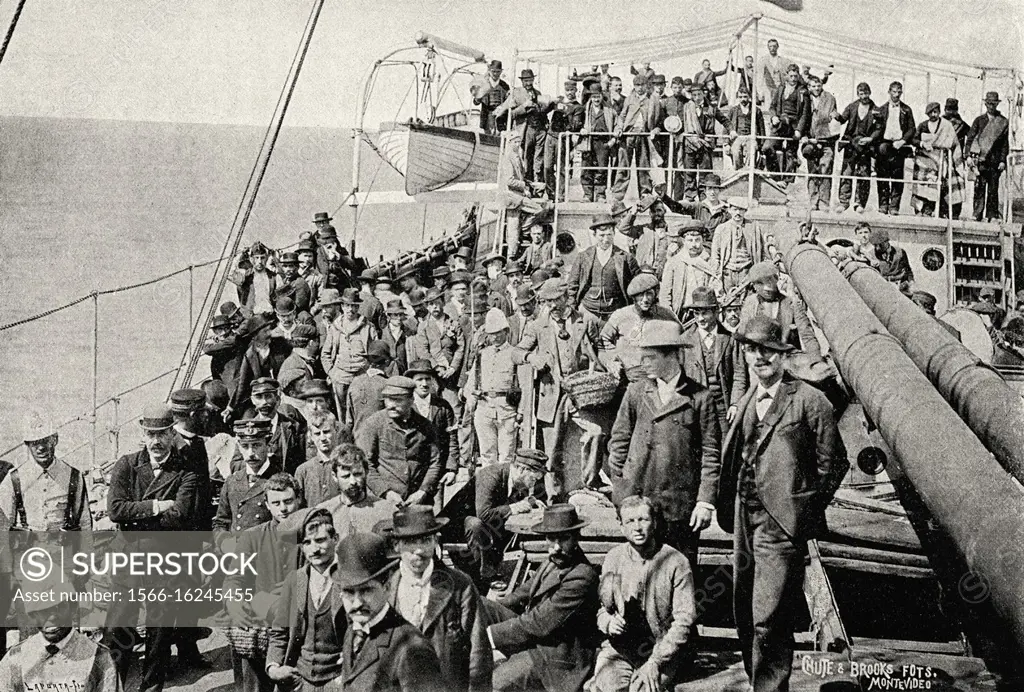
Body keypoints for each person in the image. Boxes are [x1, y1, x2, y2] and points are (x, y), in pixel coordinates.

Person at [716, 315, 848, 692]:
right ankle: (761, 681)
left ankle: (771, 688)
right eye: (751, 350)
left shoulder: (809, 400)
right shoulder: (746, 399)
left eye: (767, 352)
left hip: (780, 524)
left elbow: (834, 463)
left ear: (782, 355)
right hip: (745, 517)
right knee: (744, 608)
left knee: (769, 615)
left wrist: (801, 509)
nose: (759, 358)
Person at [607, 320, 720, 573]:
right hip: (639, 503)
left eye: (650, 357)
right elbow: (619, 443)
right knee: (638, 572)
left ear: (674, 356)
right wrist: (621, 493)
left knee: (679, 572)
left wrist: (704, 502)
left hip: (680, 508)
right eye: (642, 357)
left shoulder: (700, 397)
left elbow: (711, 454)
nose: (643, 363)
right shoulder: (636, 392)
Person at [103, 405, 200, 691]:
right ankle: (114, 679)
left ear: (172, 433)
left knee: (159, 624)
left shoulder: (186, 471)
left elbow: (180, 515)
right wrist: (157, 506)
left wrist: (138, 517)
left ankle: (152, 682)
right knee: (119, 622)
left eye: (161, 434)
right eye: (150, 434)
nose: (156, 441)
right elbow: (116, 510)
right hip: (129, 557)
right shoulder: (127, 464)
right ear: (143, 434)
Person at [483, 504, 600, 692]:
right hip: (536, 636)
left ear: (576, 537)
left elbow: (539, 622)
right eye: (551, 538)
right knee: (480, 604)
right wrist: (494, 608)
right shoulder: (553, 560)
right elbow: (522, 593)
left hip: (555, 656)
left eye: (563, 539)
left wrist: (490, 636)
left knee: (493, 683)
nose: (555, 547)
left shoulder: (582, 576)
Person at [594, 496, 696, 692]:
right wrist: (608, 622)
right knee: (608, 686)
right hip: (620, 651)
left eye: (643, 519)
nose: (637, 527)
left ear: (655, 522)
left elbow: (684, 620)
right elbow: (602, 607)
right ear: (621, 526)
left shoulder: (676, 561)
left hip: (663, 652)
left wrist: (655, 661)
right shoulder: (614, 557)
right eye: (630, 521)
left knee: (641, 690)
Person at [387, 505, 492, 692]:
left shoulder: (460, 585)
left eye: (426, 540)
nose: (419, 550)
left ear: (436, 541)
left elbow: (478, 652)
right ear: (396, 545)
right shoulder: (386, 589)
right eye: (410, 542)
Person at [514, 279, 604, 493]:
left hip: (581, 393)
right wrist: (531, 357)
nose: (551, 306)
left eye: (555, 300)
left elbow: (601, 348)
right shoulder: (538, 326)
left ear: (566, 298)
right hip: (551, 396)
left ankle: (587, 485)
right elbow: (515, 353)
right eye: (547, 301)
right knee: (552, 453)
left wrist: (608, 365)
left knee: (596, 432)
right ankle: (555, 498)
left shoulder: (586, 321)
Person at [336, 532, 443, 692]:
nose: (357, 603)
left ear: (387, 588)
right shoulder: (354, 631)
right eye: (349, 592)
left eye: (366, 591)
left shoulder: (411, 647)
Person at [224, 472, 301, 692]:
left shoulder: (309, 535)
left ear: (298, 500)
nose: (283, 509)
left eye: (288, 501)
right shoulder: (253, 536)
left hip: (298, 625)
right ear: (267, 505)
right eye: (276, 503)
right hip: (261, 625)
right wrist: (235, 604)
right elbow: (234, 579)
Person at [266, 508, 347, 690]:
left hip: (338, 681)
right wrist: (274, 668)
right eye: (307, 543)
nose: (314, 549)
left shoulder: (350, 577)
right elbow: (279, 632)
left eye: (320, 540)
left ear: (335, 539)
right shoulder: (295, 580)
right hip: (300, 680)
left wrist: (345, 678)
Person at [460, 449, 547, 586]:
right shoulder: (490, 475)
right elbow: (483, 514)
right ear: (521, 469)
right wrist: (515, 507)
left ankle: (492, 567)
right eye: (533, 478)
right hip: (459, 525)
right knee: (476, 524)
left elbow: (508, 503)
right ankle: (482, 578)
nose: (533, 484)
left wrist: (531, 501)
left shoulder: (516, 479)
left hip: (482, 528)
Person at [356, 376, 443, 505]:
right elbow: (364, 463)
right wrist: (385, 492)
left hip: (418, 500)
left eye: (397, 400)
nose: (390, 405)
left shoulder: (426, 426)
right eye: (387, 399)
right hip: (383, 500)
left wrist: (423, 491)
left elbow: (435, 462)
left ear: (411, 400)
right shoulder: (373, 424)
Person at [0, 599, 121, 692]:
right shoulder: (15, 658)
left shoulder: (98, 657)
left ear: (72, 607)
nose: (51, 617)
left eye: (58, 607)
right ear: (32, 615)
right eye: (42, 610)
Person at [680, 286, 748, 428]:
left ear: (716, 311)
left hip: (724, 407)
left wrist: (735, 404)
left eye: (705, 313)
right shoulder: (684, 340)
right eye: (696, 313)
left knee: (726, 447)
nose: (700, 318)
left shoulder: (730, 339)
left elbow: (739, 375)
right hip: (696, 408)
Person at [568, 214, 642, 338]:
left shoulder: (626, 258)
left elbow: (639, 284)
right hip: (588, 313)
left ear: (614, 234)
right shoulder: (583, 257)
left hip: (615, 316)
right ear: (594, 235)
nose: (605, 240)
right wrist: (571, 310)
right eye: (601, 236)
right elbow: (572, 286)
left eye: (609, 235)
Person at [599, 272, 679, 383]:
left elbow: (681, 338)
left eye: (649, 294)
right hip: (629, 375)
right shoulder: (620, 316)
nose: (645, 299)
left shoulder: (666, 315)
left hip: (659, 375)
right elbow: (603, 341)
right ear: (633, 297)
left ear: (655, 294)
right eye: (640, 295)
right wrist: (612, 360)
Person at [465, 308, 519, 467]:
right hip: (484, 408)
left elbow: (523, 384)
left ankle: (504, 490)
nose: (495, 337)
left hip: (507, 410)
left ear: (506, 331)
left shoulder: (515, 353)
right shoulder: (482, 354)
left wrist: (520, 412)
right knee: (487, 455)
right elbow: (472, 382)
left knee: (507, 457)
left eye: (498, 332)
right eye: (491, 333)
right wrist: (471, 400)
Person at [738, 262, 822, 358]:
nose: (767, 288)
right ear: (754, 286)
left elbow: (807, 336)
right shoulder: (750, 303)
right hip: (760, 361)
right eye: (760, 283)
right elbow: (743, 335)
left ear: (776, 279)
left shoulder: (791, 304)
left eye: (769, 281)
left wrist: (816, 361)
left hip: (787, 360)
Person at [321, 287, 378, 423]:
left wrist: (370, 371)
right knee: (343, 413)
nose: (350, 310)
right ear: (342, 306)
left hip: (362, 375)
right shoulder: (335, 327)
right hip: (341, 376)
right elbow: (325, 354)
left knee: (362, 410)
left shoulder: (368, 327)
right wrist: (332, 373)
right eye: (347, 306)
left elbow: (376, 352)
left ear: (358, 307)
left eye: (354, 306)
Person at [406, 359, 459, 486]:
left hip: (437, 470)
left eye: (428, 379)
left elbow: (451, 438)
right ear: (412, 382)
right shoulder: (406, 406)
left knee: (436, 506)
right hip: (411, 472)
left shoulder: (443, 406)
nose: (424, 384)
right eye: (419, 379)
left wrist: (451, 469)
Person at [493, 68, 550, 184]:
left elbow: (541, 112)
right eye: (526, 81)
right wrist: (524, 106)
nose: (528, 83)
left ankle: (537, 187)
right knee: (525, 159)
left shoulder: (537, 93)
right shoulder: (516, 93)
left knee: (538, 160)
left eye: (530, 80)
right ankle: (526, 184)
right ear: (522, 81)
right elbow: (509, 114)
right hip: (524, 131)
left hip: (538, 131)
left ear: (533, 79)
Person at [611, 74, 663, 202]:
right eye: (637, 85)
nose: (639, 88)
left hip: (644, 135)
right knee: (623, 164)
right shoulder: (629, 99)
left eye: (642, 85)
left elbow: (659, 121)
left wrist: (656, 130)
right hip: (629, 135)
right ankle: (618, 194)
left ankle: (645, 193)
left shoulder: (653, 100)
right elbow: (622, 116)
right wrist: (619, 128)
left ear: (647, 86)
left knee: (643, 165)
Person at [242, 377, 306, 475]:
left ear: (277, 399)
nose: (264, 402)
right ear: (253, 400)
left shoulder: (293, 427)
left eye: (268, 396)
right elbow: (235, 464)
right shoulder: (245, 429)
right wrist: (256, 461)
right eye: (258, 397)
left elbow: (303, 461)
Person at [912, 101, 966, 218]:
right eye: (931, 113)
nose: (933, 115)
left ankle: (933, 210)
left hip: (941, 157)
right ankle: (920, 210)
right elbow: (914, 140)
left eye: (936, 112)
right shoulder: (923, 125)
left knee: (942, 178)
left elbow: (954, 143)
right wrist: (922, 144)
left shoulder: (946, 125)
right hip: (924, 157)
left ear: (939, 112)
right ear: (927, 114)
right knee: (923, 179)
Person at [834, 82, 882, 213]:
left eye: (866, 93)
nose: (864, 96)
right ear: (858, 94)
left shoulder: (876, 109)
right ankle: (844, 202)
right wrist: (836, 116)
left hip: (865, 147)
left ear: (870, 93)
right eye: (861, 94)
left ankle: (860, 203)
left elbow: (879, 128)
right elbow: (843, 119)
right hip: (850, 144)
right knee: (846, 174)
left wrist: (870, 138)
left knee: (864, 175)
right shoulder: (852, 107)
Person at [679, 84, 729, 200]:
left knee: (704, 175)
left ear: (703, 94)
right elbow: (681, 123)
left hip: (706, 145)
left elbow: (724, 120)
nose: (696, 98)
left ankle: (703, 198)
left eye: (699, 94)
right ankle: (690, 198)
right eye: (694, 95)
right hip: (690, 144)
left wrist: (731, 130)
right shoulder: (686, 107)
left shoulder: (711, 108)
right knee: (689, 173)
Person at [966, 91, 1010, 222]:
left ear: (997, 104)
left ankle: (992, 215)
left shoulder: (1002, 122)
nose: (991, 106)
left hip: (995, 161)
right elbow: (970, 139)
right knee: (979, 187)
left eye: (994, 103)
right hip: (980, 160)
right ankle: (977, 214)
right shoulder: (979, 121)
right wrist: (968, 156)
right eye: (989, 103)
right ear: (985, 104)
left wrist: (1003, 160)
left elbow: (1004, 144)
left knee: (993, 189)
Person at [874, 81, 917, 214]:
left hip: (899, 146)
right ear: (889, 92)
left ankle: (894, 207)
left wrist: (903, 140)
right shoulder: (881, 109)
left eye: (899, 92)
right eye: (894, 91)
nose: (896, 95)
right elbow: (876, 129)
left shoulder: (906, 110)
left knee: (897, 177)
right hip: (884, 146)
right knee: (882, 177)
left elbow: (912, 129)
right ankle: (883, 205)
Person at [660, 219, 717, 318]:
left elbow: (716, 290)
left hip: (704, 313)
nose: (694, 245)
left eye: (697, 240)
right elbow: (665, 294)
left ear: (703, 240)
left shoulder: (710, 262)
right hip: (681, 313)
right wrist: (671, 316)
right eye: (690, 240)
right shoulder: (674, 263)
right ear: (683, 241)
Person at [764, 64, 810, 185]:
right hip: (779, 123)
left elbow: (805, 113)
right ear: (786, 76)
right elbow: (772, 107)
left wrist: (799, 130)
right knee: (768, 147)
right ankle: (774, 176)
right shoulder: (780, 89)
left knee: (790, 152)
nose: (793, 78)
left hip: (794, 125)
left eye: (796, 76)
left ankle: (786, 180)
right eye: (791, 76)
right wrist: (773, 116)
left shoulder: (803, 91)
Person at [710, 197, 769, 291]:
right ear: (729, 210)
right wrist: (716, 273)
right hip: (727, 273)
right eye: (735, 209)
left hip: (747, 271)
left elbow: (763, 252)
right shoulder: (721, 229)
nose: (738, 213)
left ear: (745, 211)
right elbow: (715, 254)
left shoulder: (754, 228)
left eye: (741, 209)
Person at [802, 73, 839, 210]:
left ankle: (824, 202)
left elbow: (834, 114)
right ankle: (813, 201)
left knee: (825, 170)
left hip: (826, 140)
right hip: (810, 140)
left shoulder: (830, 98)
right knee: (812, 171)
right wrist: (804, 136)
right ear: (809, 87)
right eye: (813, 86)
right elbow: (802, 118)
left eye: (818, 86)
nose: (816, 88)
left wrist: (834, 115)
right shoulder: (805, 98)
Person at [545, 79, 585, 201]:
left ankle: (560, 194)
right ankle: (551, 192)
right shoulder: (559, 101)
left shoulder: (578, 107)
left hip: (562, 139)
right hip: (550, 136)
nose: (569, 93)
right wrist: (551, 102)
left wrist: (565, 112)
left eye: (572, 90)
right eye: (567, 90)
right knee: (547, 167)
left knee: (562, 168)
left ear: (576, 90)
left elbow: (575, 126)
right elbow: (544, 111)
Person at [295, 411, 342, 507]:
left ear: (336, 430)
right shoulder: (303, 471)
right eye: (317, 433)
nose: (322, 438)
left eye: (326, 432)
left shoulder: (346, 464)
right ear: (311, 436)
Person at [347, 340, 392, 436]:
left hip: (358, 438)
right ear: (387, 362)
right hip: (380, 440)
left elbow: (349, 420)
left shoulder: (355, 382)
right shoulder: (387, 384)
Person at [278, 324, 324, 401]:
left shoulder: (299, 359)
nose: (318, 345)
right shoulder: (294, 367)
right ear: (311, 343)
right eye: (317, 342)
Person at [230, 241, 277, 314]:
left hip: (269, 316)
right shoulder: (245, 276)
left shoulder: (273, 277)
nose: (260, 261)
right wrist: (239, 256)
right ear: (251, 259)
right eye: (256, 258)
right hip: (250, 319)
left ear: (267, 258)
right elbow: (229, 274)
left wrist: (275, 257)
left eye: (262, 258)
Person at [727, 86, 765, 170]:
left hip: (750, 137)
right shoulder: (733, 110)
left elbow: (762, 128)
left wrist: (761, 144)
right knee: (735, 151)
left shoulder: (756, 110)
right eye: (740, 97)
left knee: (752, 151)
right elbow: (727, 126)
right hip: (737, 137)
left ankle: (749, 171)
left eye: (745, 97)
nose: (743, 99)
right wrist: (726, 144)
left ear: (749, 97)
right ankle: (739, 172)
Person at [473, 59, 511, 134]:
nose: (495, 74)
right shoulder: (483, 84)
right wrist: (478, 98)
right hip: (487, 117)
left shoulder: (505, 86)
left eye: (498, 71)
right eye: (493, 71)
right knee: (488, 138)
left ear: (501, 72)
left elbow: (508, 101)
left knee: (499, 138)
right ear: (489, 71)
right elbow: (475, 102)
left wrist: (501, 108)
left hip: (500, 117)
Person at [297, 237, 325, 309]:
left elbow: (321, 299)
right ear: (298, 256)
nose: (307, 259)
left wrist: (312, 312)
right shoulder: (292, 273)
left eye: (310, 256)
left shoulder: (317, 276)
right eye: (305, 256)